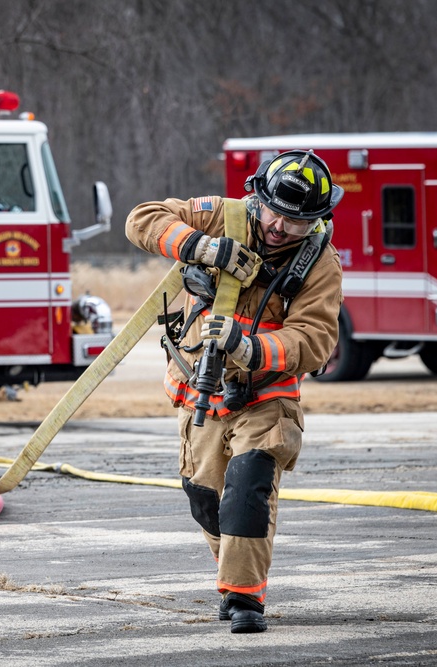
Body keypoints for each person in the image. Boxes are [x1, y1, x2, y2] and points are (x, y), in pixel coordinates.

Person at [125, 150, 344, 633]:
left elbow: (315, 340)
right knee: (205, 497)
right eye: (274, 213)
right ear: (257, 198)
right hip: (199, 390)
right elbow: (141, 219)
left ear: (316, 220)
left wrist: (248, 347)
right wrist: (201, 248)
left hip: (266, 396)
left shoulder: (320, 265)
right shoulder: (220, 216)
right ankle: (232, 578)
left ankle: (245, 599)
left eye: (296, 222)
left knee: (247, 490)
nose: (280, 228)